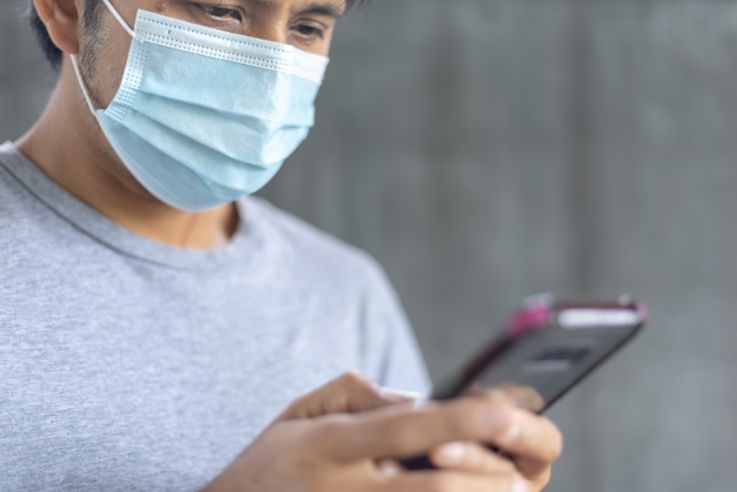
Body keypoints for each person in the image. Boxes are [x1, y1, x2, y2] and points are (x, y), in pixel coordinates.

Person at [0, 0, 563, 490]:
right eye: (220, 9)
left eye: (307, 27)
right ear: (67, 8)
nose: (268, 73)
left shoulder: (344, 290)